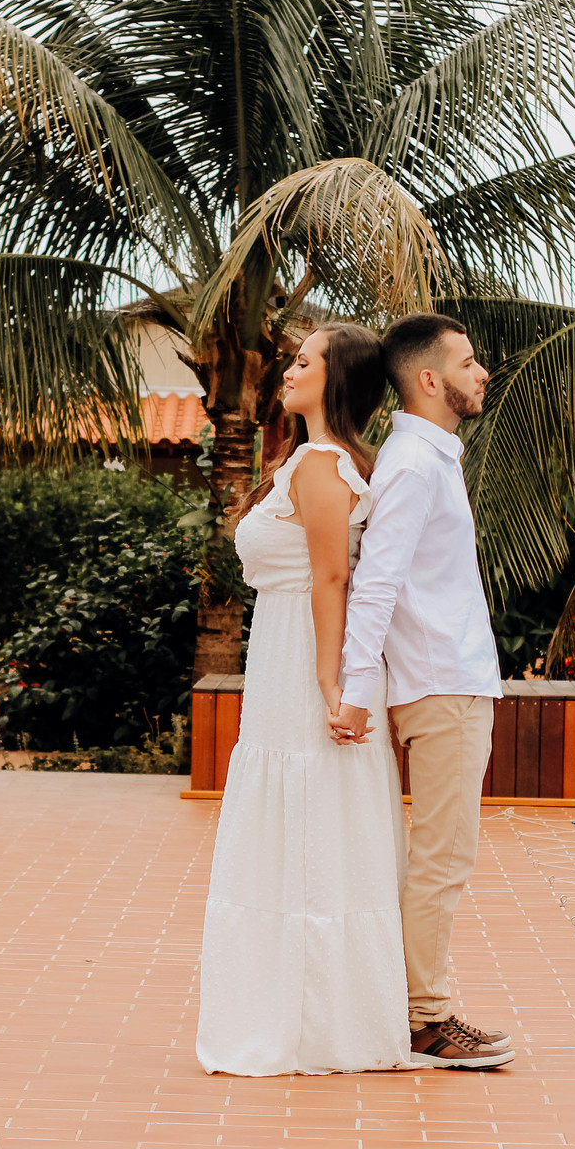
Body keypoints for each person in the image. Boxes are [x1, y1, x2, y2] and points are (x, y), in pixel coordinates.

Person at [196, 324, 412, 1076]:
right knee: (309, 820)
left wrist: (331, 683)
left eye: (303, 361)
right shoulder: (308, 460)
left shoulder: (322, 464)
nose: (288, 371)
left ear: (336, 378)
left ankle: (314, 1020)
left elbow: (332, 578)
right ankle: (300, 1010)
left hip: (304, 657)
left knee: (315, 817)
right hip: (285, 654)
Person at [330, 312, 515, 1071]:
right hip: (442, 685)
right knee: (443, 857)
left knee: (439, 855)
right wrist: (355, 688)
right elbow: (375, 583)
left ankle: (418, 1009)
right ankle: (424, 1019)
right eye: (468, 363)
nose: (482, 373)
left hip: (446, 680)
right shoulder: (413, 464)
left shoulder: (426, 458)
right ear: (430, 379)